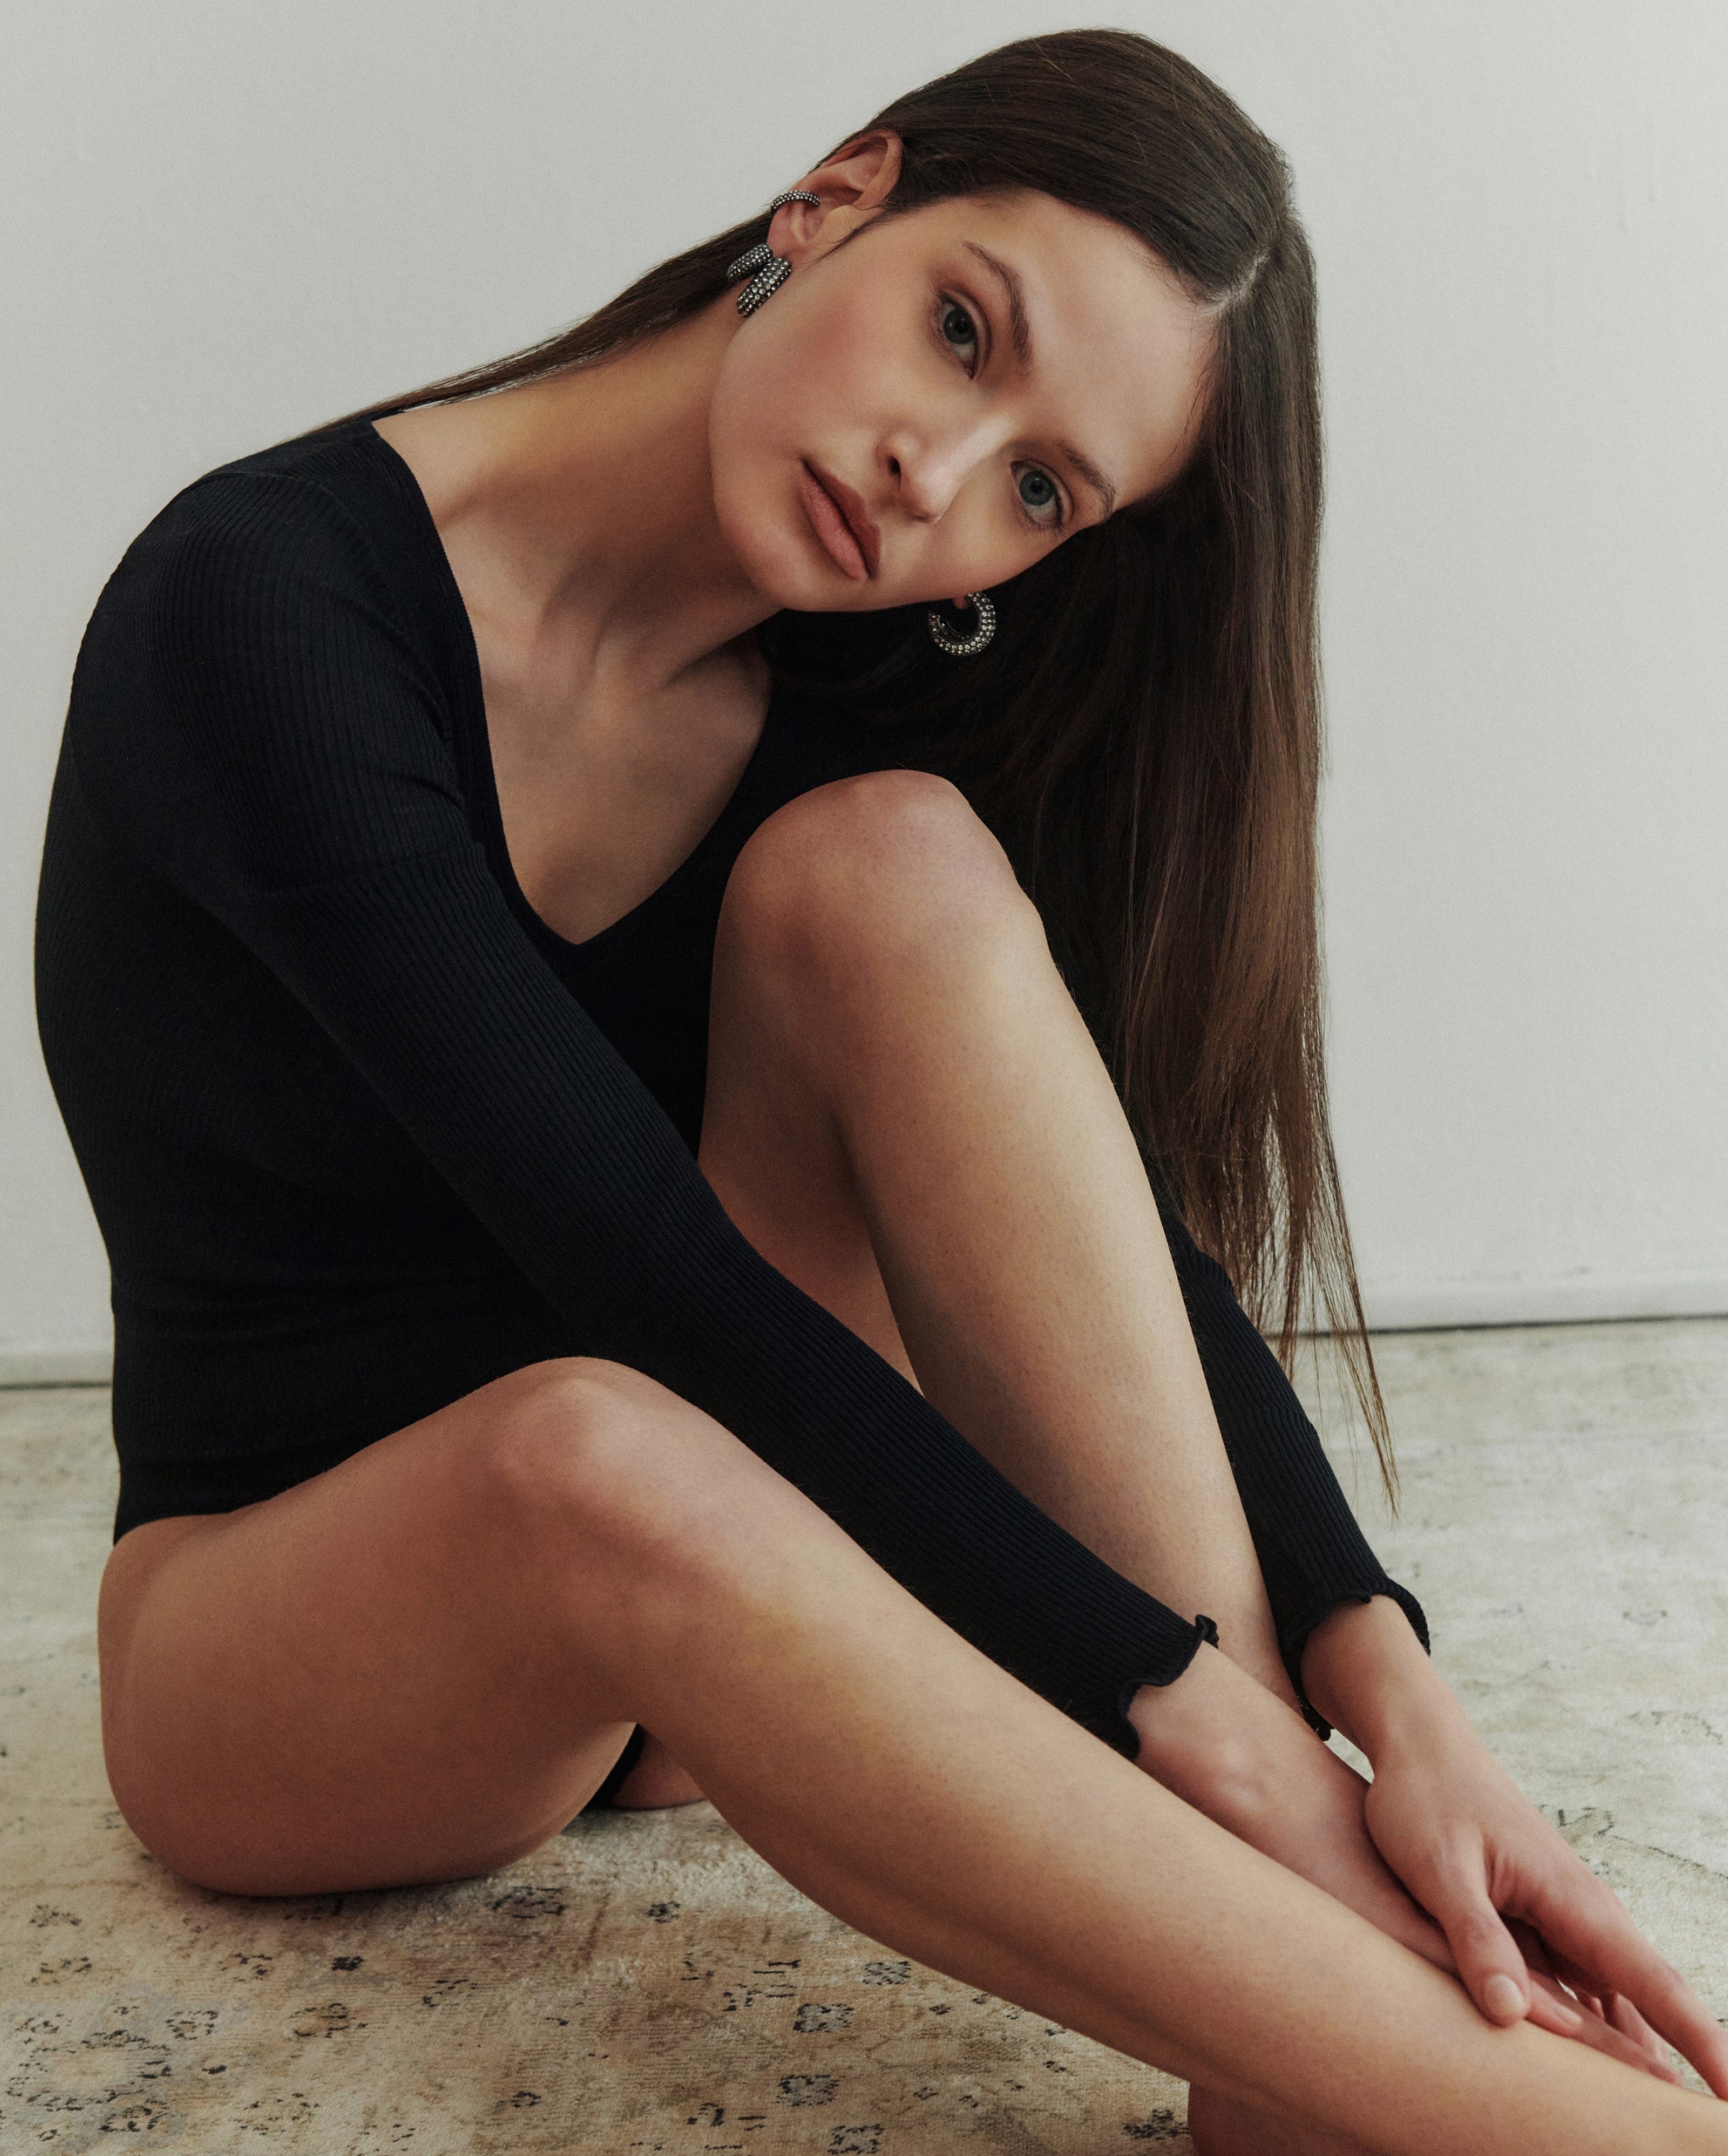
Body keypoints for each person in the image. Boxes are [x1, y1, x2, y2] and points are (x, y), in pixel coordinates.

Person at [33, 29, 1727, 2155]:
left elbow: (1122, 1232)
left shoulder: (828, 711)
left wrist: (1386, 1679)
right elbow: (652, 1281)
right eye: (963, 332)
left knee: (898, 870)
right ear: (835, 198)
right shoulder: (264, 609)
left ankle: (1285, 2082)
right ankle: (1595, 2135)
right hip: (299, 1652)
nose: (941, 477)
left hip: (713, 1613)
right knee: (589, 1439)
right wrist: (1210, 1738)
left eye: (1043, 490)